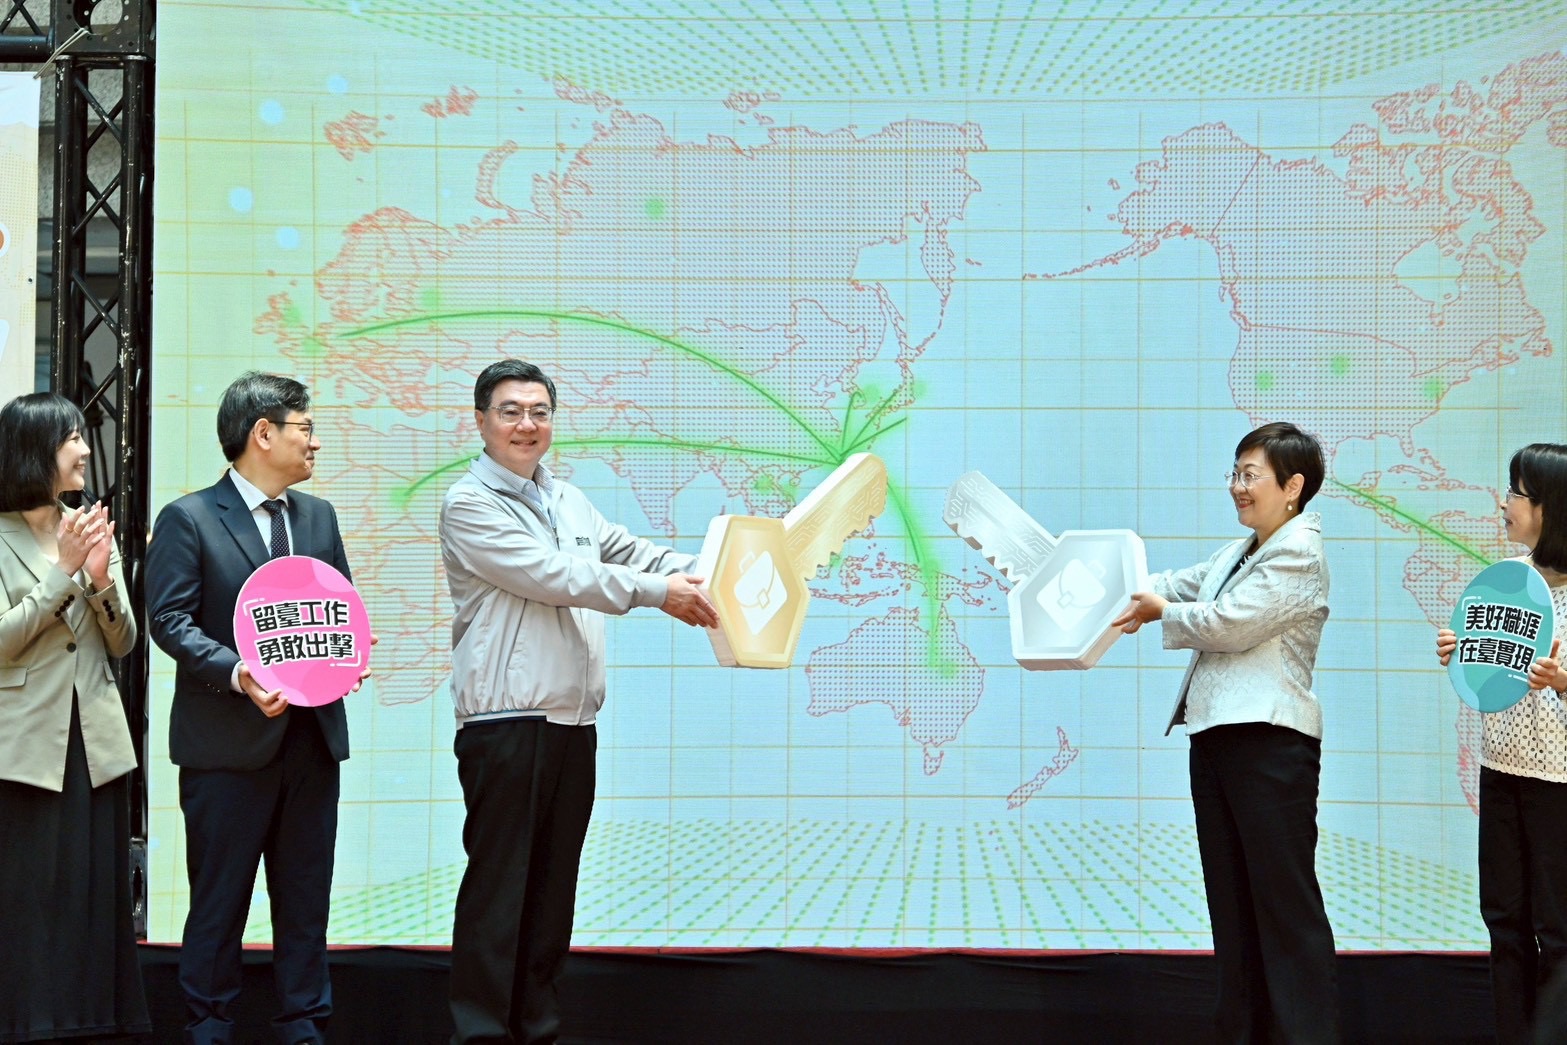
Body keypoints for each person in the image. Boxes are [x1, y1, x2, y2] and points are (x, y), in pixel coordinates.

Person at [439, 359, 719, 1044]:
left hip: (572, 723)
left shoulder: (567, 499)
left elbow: (632, 552)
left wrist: (721, 571)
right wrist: (660, 595)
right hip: (506, 724)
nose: (526, 424)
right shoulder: (469, 503)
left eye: (539, 411)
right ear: (480, 421)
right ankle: (480, 1035)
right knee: (499, 898)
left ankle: (537, 1031)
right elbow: (554, 575)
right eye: (510, 411)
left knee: (549, 898)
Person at [146, 372, 362, 1044]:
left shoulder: (318, 517)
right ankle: (209, 1024)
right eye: (305, 428)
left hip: (311, 739)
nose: (314, 442)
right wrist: (239, 673)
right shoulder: (189, 518)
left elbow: (337, 606)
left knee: (305, 897)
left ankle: (303, 1023)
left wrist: (347, 651)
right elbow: (170, 620)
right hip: (226, 745)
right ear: (262, 433)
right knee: (219, 899)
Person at [1112, 421, 1339, 1043]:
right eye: (1235, 473)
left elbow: (1229, 623)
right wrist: (1090, 580)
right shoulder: (1239, 553)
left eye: (1251, 475)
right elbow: (1166, 585)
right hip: (1217, 743)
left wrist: (1163, 612)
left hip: (1270, 747)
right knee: (1233, 907)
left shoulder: (1299, 552)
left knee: (1284, 910)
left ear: (1293, 487)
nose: (1238, 486)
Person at [0, 392, 150, 1042]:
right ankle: (28, 1021)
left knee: (91, 894)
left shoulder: (86, 526)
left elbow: (123, 640)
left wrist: (100, 578)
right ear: (34, 449)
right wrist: (63, 573)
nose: (86, 450)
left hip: (94, 741)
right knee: (31, 896)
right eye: (72, 439)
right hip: (25, 747)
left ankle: (92, 1019)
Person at [1436, 443, 1567, 1044]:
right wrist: (1460, 652)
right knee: (1504, 920)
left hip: (1559, 782)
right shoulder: (1508, 581)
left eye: (1516, 492)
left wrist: (1563, 682)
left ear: (1551, 507)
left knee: (1558, 929)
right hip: (1501, 768)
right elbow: (1492, 673)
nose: (1504, 503)